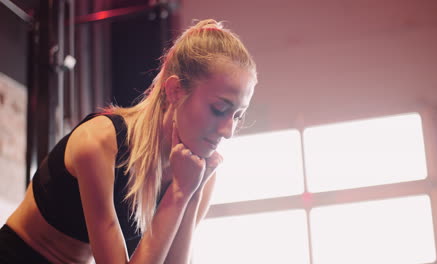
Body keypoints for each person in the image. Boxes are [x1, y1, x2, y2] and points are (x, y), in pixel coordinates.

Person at [0, 18, 257, 263]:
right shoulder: (99, 142)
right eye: (219, 109)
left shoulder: (197, 172)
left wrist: (192, 192)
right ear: (175, 91)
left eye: (238, 116)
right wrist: (178, 194)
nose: (228, 130)